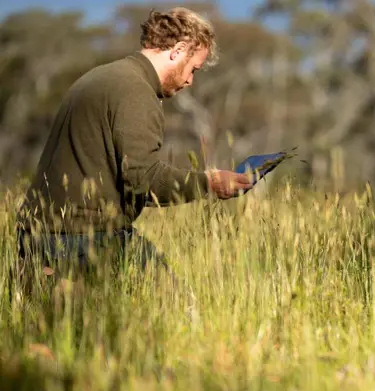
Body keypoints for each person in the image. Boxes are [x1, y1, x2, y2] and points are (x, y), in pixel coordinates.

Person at [13, 7, 253, 287]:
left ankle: (43, 284)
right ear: (178, 50)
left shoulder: (102, 76)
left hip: (38, 234)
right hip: (81, 236)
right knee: (174, 306)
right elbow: (143, 180)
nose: (190, 80)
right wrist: (210, 183)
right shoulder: (136, 91)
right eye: (193, 69)